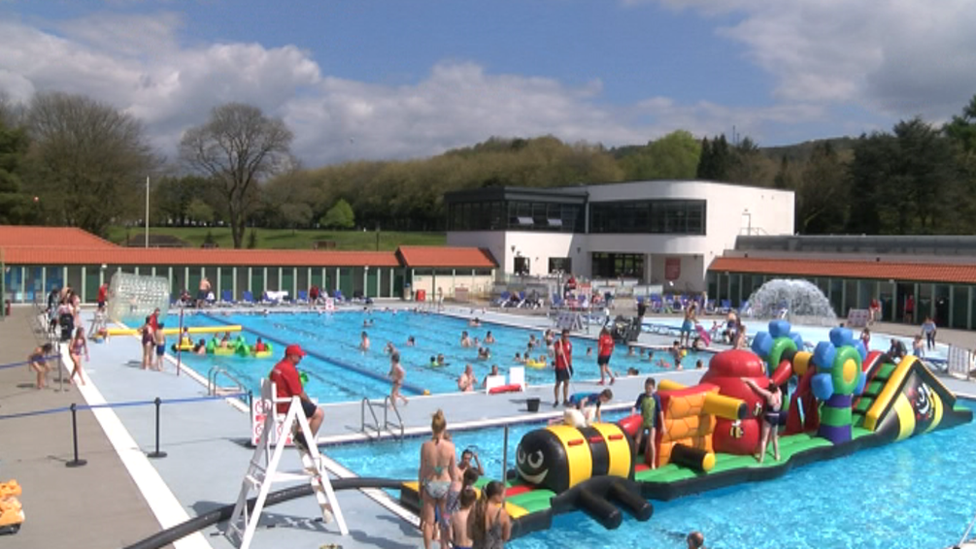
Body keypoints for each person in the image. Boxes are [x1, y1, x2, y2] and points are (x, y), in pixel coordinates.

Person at [269, 344, 324, 451]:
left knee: (308, 410)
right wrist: (310, 403)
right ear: (291, 356)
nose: (301, 358)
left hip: (277, 403)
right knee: (319, 414)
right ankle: (307, 443)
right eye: (299, 356)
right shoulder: (290, 370)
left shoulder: (278, 366)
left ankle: (300, 432)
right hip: (286, 406)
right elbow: (299, 393)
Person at [419, 410, 458, 549]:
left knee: (429, 523)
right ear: (444, 427)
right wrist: (456, 490)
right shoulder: (450, 447)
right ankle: (443, 547)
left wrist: (420, 487)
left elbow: (422, 470)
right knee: (444, 522)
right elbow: (454, 472)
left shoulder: (425, 446)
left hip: (430, 484)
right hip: (445, 485)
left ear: (432, 427)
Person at [743, 377, 781, 463]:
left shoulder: (769, 395)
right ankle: (777, 455)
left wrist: (748, 381)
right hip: (776, 417)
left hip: (769, 417)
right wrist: (773, 381)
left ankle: (761, 458)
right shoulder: (779, 394)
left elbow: (757, 389)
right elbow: (777, 387)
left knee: (764, 439)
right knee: (774, 438)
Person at [468, 480, 511, 549]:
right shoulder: (502, 513)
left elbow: (469, 534)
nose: (504, 497)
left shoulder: (475, 509)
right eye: (503, 494)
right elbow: (506, 537)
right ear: (496, 496)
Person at [632, 378, 665, 467]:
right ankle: (634, 460)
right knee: (637, 441)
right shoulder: (642, 396)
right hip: (642, 422)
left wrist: (663, 425)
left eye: (650, 388)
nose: (648, 390)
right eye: (646, 388)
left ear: (653, 388)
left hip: (652, 424)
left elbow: (660, 411)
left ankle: (653, 462)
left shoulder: (656, 398)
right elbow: (636, 406)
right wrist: (633, 411)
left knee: (651, 442)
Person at [552, 329, 573, 407]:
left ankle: (565, 399)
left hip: (566, 366)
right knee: (558, 384)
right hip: (559, 367)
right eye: (564, 336)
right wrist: (560, 343)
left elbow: (570, 355)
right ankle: (556, 400)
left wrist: (570, 365)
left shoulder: (569, 344)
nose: (566, 338)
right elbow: (559, 352)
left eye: (568, 336)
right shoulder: (557, 344)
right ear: (562, 336)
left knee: (566, 383)